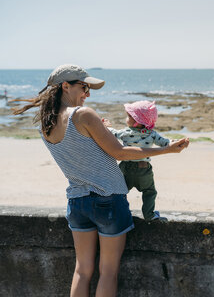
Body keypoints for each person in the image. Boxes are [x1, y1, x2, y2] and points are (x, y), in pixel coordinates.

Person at [13, 64, 189, 297]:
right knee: (108, 272)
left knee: (82, 271)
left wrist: (103, 131)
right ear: (65, 86)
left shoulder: (45, 125)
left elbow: (85, 151)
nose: (88, 93)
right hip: (108, 199)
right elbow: (120, 152)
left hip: (77, 202)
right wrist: (167, 150)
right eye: (84, 87)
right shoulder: (84, 115)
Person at [102, 100, 172, 221]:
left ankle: (117, 212)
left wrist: (107, 126)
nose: (126, 118)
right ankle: (149, 215)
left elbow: (112, 134)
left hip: (126, 168)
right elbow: (165, 142)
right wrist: (176, 143)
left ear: (137, 121)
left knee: (119, 191)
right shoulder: (152, 134)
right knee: (149, 192)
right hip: (143, 169)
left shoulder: (126, 133)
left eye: (129, 116)